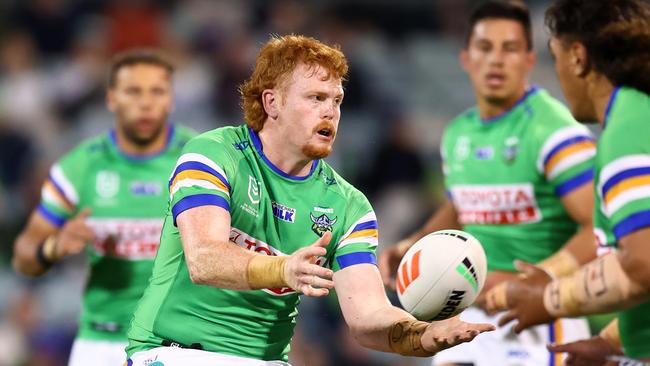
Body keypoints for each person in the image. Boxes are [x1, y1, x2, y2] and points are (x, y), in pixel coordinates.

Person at [125, 34, 494, 366]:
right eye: (316, 98)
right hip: (173, 352)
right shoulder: (213, 154)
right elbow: (204, 259)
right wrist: (283, 269)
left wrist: (420, 336)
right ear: (272, 102)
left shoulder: (348, 206)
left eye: (336, 100)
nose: (330, 111)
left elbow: (367, 316)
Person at [378, 1, 597, 365]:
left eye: (509, 49)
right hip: (468, 313)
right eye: (485, 48)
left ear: (529, 59)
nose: (496, 60)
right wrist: (413, 246)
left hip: (540, 317)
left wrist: (539, 279)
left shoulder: (555, 132)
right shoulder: (458, 133)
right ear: (466, 58)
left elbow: (598, 227)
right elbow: (463, 205)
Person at [485, 0, 650, 364]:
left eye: (555, 57)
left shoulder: (626, 132)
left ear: (578, 58)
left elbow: (644, 264)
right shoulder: (640, 114)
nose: (556, 71)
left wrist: (549, 298)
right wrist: (611, 343)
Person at [12, 49, 196, 366]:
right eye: (133, 91)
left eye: (157, 92)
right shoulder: (80, 166)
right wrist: (53, 247)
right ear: (111, 99)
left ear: (171, 100)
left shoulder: (199, 161)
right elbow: (24, 255)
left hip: (180, 341)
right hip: (102, 341)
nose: (146, 103)